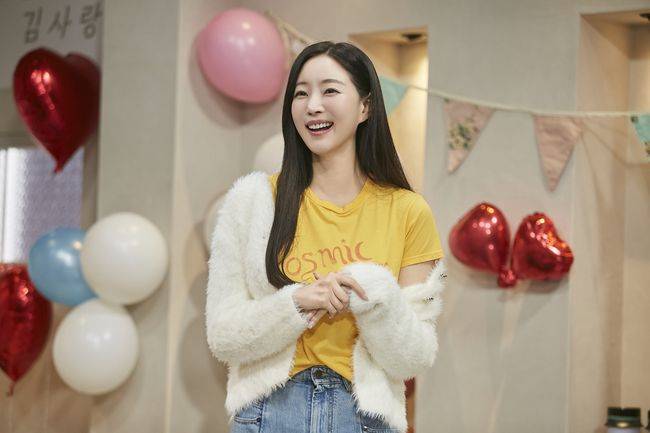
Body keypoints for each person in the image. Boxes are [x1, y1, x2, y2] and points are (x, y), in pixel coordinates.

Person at [206, 41, 446, 433]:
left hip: (364, 418)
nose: (313, 106)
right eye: (301, 94)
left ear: (365, 107)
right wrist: (297, 303)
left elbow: (414, 358)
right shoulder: (252, 201)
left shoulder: (409, 211)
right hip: (269, 413)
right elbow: (223, 336)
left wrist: (376, 295)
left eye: (330, 90)